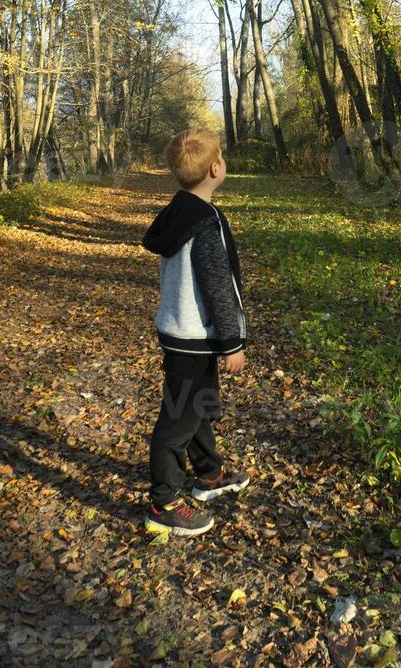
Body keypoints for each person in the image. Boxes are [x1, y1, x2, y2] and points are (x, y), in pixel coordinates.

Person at [141, 128, 250, 536]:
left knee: (198, 404)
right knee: (177, 420)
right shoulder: (205, 221)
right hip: (195, 337)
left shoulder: (178, 209)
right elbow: (218, 286)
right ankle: (163, 502)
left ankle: (208, 474)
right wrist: (232, 343)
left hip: (178, 332)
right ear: (215, 168)